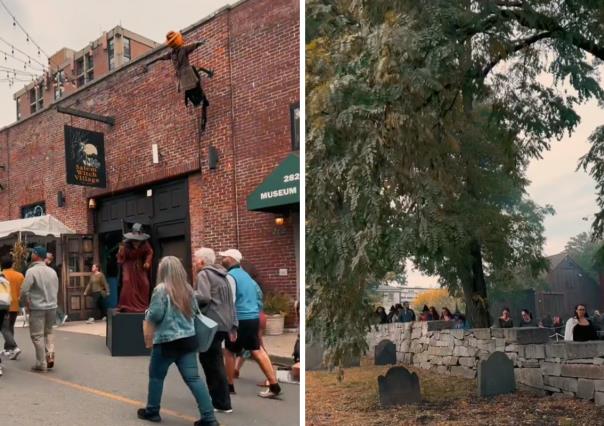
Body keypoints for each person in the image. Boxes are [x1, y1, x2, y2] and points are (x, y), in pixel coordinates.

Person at [138, 256, 218, 426]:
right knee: (194, 379)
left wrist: (147, 313)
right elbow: (195, 312)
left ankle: (152, 411)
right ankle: (209, 418)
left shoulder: (161, 289)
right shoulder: (187, 288)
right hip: (188, 340)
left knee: (156, 377)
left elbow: (156, 315)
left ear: (163, 271)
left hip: (166, 342)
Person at [220, 249, 281, 399]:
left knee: (229, 351)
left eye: (224, 257)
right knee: (257, 349)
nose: (222, 259)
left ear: (231, 259)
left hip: (239, 318)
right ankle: (274, 384)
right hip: (253, 317)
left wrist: (229, 323)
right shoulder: (247, 277)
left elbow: (230, 300)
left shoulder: (230, 277)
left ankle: (229, 386)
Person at [193, 248, 237, 414]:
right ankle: (222, 400)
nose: (195, 262)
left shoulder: (204, 274)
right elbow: (230, 303)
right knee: (216, 361)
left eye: (196, 259)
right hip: (223, 324)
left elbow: (203, 297)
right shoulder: (223, 276)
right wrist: (233, 325)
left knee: (211, 363)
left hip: (211, 323)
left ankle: (220, 402)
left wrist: (189, 295)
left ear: (202, 261)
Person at [144, 31, 213, 132]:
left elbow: (194, 45)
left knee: (194, 91)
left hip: (185, 78)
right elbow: (160, 57)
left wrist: (202, 42)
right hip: (187, 77)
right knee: (198, 93)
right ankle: (199, 108)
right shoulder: (176, 52)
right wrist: (149, 63)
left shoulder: (176, 53)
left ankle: (199, 108)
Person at [20, 246, 59, 372]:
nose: (31, 254)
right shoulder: (52, 271)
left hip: (37, 307)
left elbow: (24, 290)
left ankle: (41, 363)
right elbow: (56, 288)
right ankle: (50, 353)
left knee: (37, 336)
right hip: (52, 307)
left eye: (32, 253)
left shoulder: (31, 271)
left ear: (36, 255)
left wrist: (25, 303)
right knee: (49, 332)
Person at [117, 223, 154, 313]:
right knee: (127, 282)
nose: (136, 243)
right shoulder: (125, 244)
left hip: (139, 265)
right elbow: (120, 258)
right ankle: (125, 305)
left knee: (145, 284)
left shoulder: (145, 244)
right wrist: (121, 251)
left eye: (138, 240)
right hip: (128, 265)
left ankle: (143, 305)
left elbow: (150, 252)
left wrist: (147, 262)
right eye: (134, 240)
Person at [1, 255, 24, 360]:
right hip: (14, 304)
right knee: (10, 327)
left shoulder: (2, 275)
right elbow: (22, 291)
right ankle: (8, 348)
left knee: (5, 328)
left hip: (2, 305)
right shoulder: (19, 275)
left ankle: (11, 348)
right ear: (12, 264)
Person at [45, 252, 68, 326]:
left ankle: (59, 318)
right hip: (51, 286)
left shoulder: (52, 267)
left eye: (45, 258)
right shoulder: (51, 266)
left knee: (52, 303)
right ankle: (60, 317)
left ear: (48, 259)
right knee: (51, 303)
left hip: (51, 286)